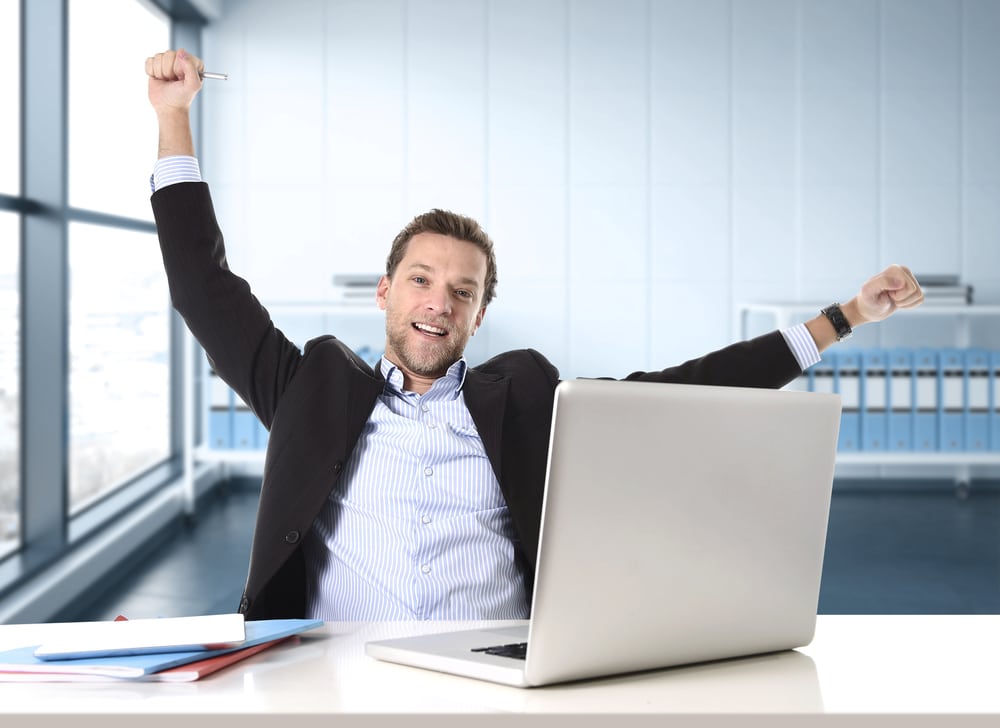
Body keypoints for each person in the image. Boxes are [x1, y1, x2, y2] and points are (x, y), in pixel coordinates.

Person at [145, 49, 925, 622]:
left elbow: (680, 392)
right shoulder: (308, 383)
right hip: (336, 677)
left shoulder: (524, 398)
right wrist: (173, 116)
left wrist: (844, 318)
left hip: (494, 678)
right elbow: (203, 288)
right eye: (420, 280)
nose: (438, 302)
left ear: (479, 315)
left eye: (462, 291)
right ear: (386, 292)